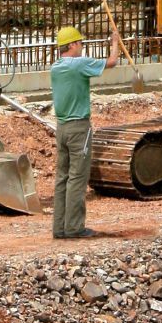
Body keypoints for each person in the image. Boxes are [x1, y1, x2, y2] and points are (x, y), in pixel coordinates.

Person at [49, 24, 119, 240]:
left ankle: (59, 228)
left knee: (63, 178)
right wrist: (115, 42)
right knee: (77, 178)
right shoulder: (78, 65)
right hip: (79, 128)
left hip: (61, 129)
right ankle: (74, 227)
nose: (81, 47)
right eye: (80, 43)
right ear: (72, 45)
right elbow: (112, 62)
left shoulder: (55, 67)